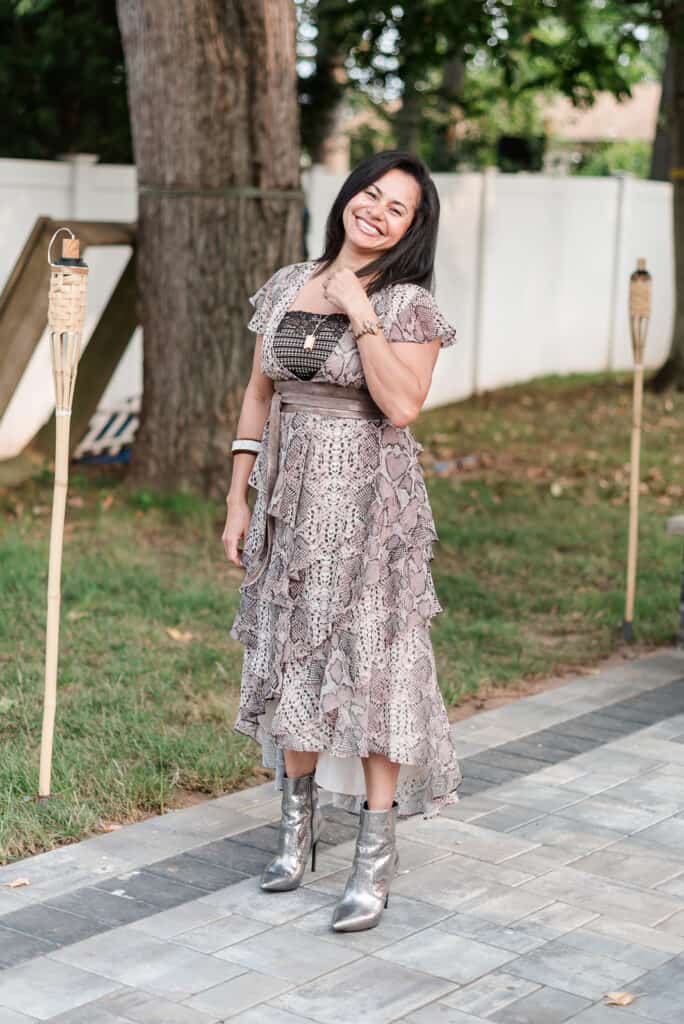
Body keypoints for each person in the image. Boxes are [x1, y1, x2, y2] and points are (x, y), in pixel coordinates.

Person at [223, 150, 463, 933]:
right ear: (348, 196)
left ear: (410, 229)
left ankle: (373, 857)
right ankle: (294, 833)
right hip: (288, 502)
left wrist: (360, 306)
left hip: (369, 511)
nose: (377, 210)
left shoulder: (406, 305)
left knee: (373, 661)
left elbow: (401, 406)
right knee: (294, 651)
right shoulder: (288, 281)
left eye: (398, 208)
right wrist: (237, 500)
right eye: (371, 193)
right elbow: (260, 390)